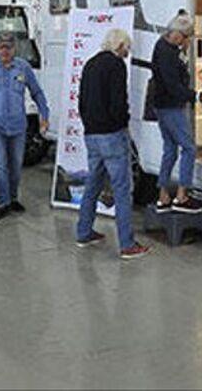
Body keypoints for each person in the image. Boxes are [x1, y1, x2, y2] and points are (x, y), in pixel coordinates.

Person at [75, 29, 150, 259]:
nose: (128, 52)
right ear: (120, 46)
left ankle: (84, 232)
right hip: (112, 135)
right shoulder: (116, 66)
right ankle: (127, 244)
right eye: (127, 47)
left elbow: (81, 100)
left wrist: (89, 124)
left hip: (91, 135)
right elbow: (119, 102)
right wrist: (123, 124)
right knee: (122, 190)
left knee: (93, 185)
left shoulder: (90, 64)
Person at [0, 32, 50, 222]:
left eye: (8, 47)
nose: (5, 51)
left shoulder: (23, 68)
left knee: (15, 165)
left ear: (14, 48)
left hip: (18, 126)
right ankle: (3, 203)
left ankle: (13, 198)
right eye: (1, 47)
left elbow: (37, 93)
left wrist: (44, 115)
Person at [151, 13, 202, 214]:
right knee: (189, 148)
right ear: (178, 35)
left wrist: (183, 52)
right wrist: (199, 96)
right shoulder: (168, 53)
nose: (189, 41)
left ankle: (163, 195)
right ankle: (181, 196)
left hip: (162, 105)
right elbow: (174, 86)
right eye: (187, 37)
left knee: (170, 150)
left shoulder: (164, 46)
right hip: (171, 107)